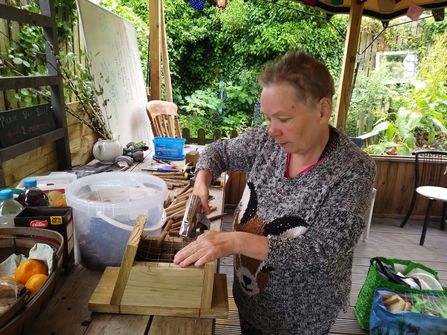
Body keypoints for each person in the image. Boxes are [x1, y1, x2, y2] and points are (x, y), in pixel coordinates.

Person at [173, 49, 376, 335]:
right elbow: (219, 151)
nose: (271, 131)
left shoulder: (353, 170)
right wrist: (202, 180)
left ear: (322, 110)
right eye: (268, 118)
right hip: (250, 294)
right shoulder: (268, 142)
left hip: (300, 317)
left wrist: (234, 241)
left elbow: (324, 251)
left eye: (283, 119)